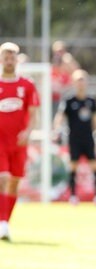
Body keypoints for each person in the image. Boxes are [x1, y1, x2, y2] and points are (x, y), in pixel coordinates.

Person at [0, 42, 40, 241]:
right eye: (6, 57)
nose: (9, 61)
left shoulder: (27, 85)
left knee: (14, 183)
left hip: (19, 143)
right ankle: (2, 223)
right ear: (1, 60)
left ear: (17, 59)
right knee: (3, 178)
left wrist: (28, 132)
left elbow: (33, 114)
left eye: (12, 57)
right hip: (0, 142)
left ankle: (5, 222)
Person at [52, 69, 96, 205]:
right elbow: (60, 117)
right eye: (78, 80)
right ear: (74, 83)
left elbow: (95, 120)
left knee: (95, 167)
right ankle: (73, 197)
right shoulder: (69, 101)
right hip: (74, 139)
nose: (80, 83)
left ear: (86, 82)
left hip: (88, 139)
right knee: (73, 167)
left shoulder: (91, 100)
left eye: (82, 80)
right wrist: (56, 130)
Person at [51, 40, 79, 117]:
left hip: (67, 94)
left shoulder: (67, 61)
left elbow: (76, 72)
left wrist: (68, 61)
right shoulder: (55, 63)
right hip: (55, 97)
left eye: (60, 51)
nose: (58, 54)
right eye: (56, 51)